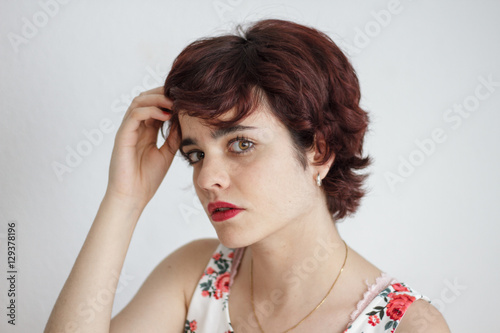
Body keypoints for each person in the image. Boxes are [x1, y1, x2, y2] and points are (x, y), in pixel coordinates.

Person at [44, 19, 450, 332]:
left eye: (241, 144)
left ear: (319, 151)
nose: (206, 179)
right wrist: (124, 200)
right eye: (196, 154)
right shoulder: (195, 277)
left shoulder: (407, 325)